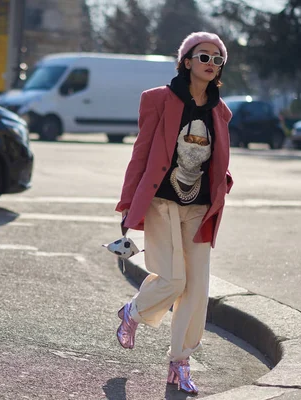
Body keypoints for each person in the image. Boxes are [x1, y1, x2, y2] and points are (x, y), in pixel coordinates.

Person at [115, 32, 234, 395]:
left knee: (197, 291)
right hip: (161, 202)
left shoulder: (220, 111)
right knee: (172, 280)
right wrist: (127, 205)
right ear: (186, 61)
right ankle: (132, 313)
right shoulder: (157, 101)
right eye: (204, 57)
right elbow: (142, 152)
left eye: (218, 60)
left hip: (199, 209)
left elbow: (217, 160)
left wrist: (224, 180)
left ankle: (180, 363)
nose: (211, 64)